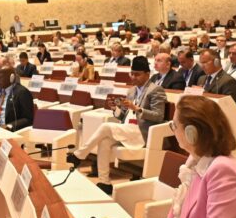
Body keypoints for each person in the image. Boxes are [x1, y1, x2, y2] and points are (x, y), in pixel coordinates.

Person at [68, 56, 167, 194]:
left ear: (147, 74)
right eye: (132, 74)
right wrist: (116, 109)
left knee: (106, 126)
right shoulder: (131, 91)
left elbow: (158, 115)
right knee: (105, 141)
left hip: (142, 132)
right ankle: (105, 182)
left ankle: (79, 155)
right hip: (128, 129)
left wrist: (136, 108)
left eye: (137, 74)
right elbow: (123, 116)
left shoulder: (156, 90)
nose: (134, 77)